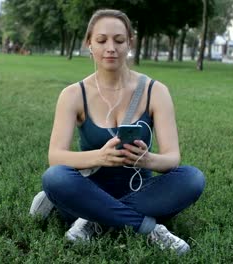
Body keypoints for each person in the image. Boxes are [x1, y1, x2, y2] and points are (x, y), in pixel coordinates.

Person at [30, 9, 205, 255]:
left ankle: (94, 221)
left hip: (139, 193)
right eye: (101, 40)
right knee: (55, 177)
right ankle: (147, 228)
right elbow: (56, 157)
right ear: (89, 44)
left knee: (193, 178)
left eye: (119, 40)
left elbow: (172, 158)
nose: (110, 47)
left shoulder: (156, 91)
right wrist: (99, 157)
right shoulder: (72, 95)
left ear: (129, 43)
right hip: (87, 192)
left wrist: (148, 160)